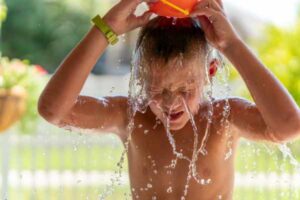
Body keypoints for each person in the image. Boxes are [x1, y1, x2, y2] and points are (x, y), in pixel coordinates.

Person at [38, 0, 300, 199]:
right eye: (157, 89)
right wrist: (107, 28)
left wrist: (230, 44)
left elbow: (289, 126)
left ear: (210, 72)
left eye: (186, 90)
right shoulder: (131, 117)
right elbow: (54, 111)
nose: (171, 102)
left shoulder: (223, 118)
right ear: (139, 76)